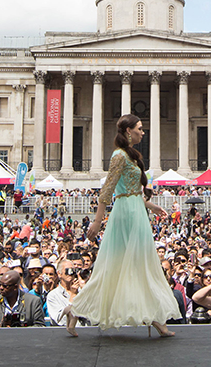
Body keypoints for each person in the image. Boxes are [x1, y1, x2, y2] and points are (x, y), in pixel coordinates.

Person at [66, 114, 178, 338]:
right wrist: (97, 221)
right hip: (126, 214)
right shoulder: (119, 155)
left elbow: (133, 191)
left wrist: (152, 206)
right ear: (128, 131)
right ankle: (75, 309)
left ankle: (153, 318)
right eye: (139, 128)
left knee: (141, 264)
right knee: (123, 266)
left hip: (136, 211)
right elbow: (108, 190)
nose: (142, 132)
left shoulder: (131, 155)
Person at [45, 259, 84, 326]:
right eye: (67, 270)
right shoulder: (53, 295)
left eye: (72, 270)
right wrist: (73, 296)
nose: (70, 273)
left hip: (85, 330)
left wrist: (84, 288)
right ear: (59, 274)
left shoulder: (81, 292)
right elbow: (61, 320)